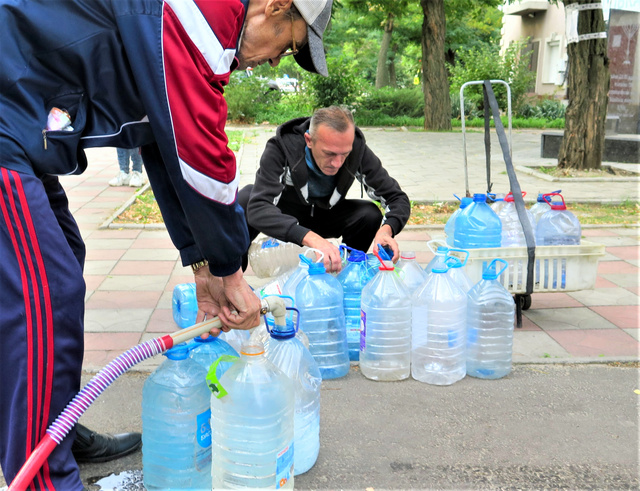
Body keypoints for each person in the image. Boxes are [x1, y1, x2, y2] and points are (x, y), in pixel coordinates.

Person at [0, 0, 333, 488]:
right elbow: (202, 159)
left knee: (64, 259)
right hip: (7, 121)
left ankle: (56, 427)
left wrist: (202, 264)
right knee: (42, 294)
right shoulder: (201, 13)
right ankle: (41, 474)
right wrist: (231, 274)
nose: (278, 59)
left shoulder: (187, 26)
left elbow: (162, 138)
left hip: (20, 119)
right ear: (275, 6)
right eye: (289, 43)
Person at [239, 106, 410, 273]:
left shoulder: (357, 150)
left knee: (369, 213)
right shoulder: (281, 148)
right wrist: (311, 239)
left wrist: (387, 230)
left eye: (344, 154)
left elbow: (397, 198)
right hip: (288, 216)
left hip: (326, 215)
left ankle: (347, 273)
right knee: (245, 200)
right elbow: (259, 208)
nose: (337, 163)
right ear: (309, 141)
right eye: (329, 154)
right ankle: (233, 279)